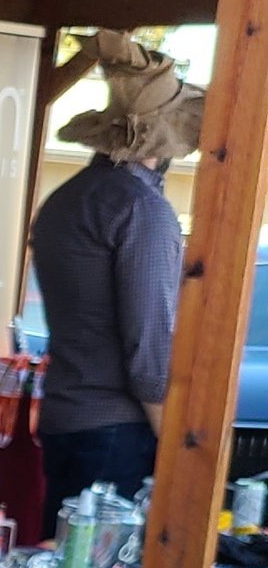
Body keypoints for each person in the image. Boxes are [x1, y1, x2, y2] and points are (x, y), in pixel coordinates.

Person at [29, 30, 202, 515]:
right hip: (117, 432)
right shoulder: (142, 209)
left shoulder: (66, 200)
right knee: (112, 564)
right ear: (165, 138)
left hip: (65, 416)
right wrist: (175, 446)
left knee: (65, 558)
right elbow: (148, 351)